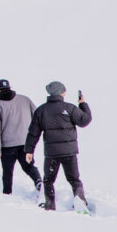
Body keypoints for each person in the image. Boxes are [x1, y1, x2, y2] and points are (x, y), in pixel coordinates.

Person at [25, 81, 93, 212]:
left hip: (52, 153)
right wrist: (83, 104)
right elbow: (85, 120)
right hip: (69, 152)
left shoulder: (41, 110)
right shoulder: (70, 108)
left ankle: (50, 206)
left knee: (48, 180)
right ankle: (81, 204)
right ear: (62, 93)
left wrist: (29, 150)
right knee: (74, 179)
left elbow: (33, 133)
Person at [0, 79, 42, 195]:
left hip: (7, 145)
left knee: (8, 172)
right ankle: (38, 181)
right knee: (28, 166)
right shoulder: (24, 99)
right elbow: (37, 115)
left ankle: (7, 194)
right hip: (25, 142)